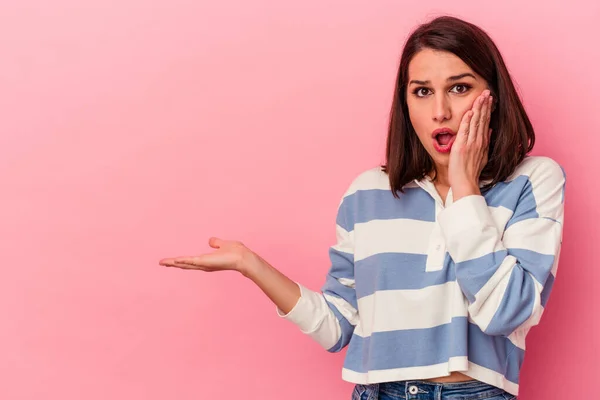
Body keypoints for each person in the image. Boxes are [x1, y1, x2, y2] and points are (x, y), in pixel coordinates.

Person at [159, 15, 566, 400]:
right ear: (406, 104)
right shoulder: (368, 192)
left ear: (493, 95)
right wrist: (251, 264)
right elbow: (338, 327)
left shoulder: (533, 181)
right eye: (422, 91)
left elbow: (506, 314)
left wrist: (464, 185)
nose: (440, 110)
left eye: (459, 88)